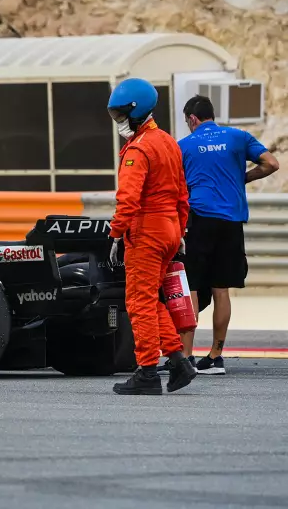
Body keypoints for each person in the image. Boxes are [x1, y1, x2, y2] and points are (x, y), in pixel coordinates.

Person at [106, 78, 197, 395]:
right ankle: (178, 361)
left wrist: (116, 233)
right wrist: (180, 229)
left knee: (138, 303)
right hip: (170, 227)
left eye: (121, 115)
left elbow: (128, 199)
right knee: (152, 299)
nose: (119, 122)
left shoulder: (139, 149)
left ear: (136, 112)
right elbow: (183, 195)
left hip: (146, 231)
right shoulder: (169, 142)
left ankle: (146, 372)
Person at [177, 94, 279, 375]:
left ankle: (186, 357)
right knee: (222, 290)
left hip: (198, 220)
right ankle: (215, 355)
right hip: (231, 221)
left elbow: (175, 186)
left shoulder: (184, 146)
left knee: (193, 288)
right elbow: (271, 163)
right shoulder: (238, 136)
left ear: (193, 119)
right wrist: (243, 177)